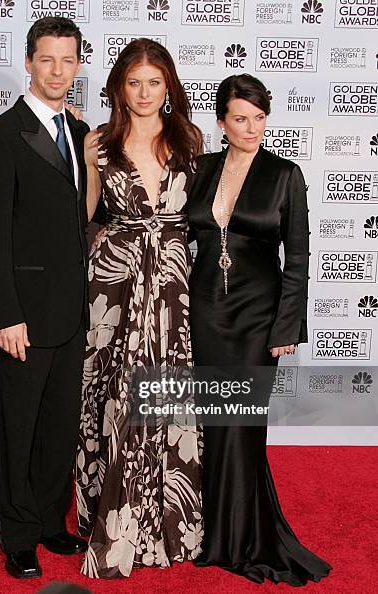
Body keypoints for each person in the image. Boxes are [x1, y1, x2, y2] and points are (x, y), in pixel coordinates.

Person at [188, 74, 331, 585]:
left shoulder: (284, 174)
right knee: (211, 422)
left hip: (256, 315)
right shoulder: (200, 169)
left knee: (243, 424)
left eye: (260, 117)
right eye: (241, 118)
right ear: (222, 123)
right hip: (202, 309)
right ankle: (212, 533)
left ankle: (243, 539)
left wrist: (286, 326)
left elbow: (298, 257)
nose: (252, 128)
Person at [75, 39, 203, 579]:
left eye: (154, 82)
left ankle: (167, 520)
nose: (145, 93)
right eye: (134, 83)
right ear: (118, 89)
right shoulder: (98, 143)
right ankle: (110, 513)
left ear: (169, 86)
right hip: (115, 280)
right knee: (111, 392)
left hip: (171, 284)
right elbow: (82, 214)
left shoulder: (190, 140)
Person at [0, 17, 90, 579]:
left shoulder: (79, 129)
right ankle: (15, 532)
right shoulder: (0, 135)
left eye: (68, 60)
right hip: (23, 314)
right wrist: (7, 315)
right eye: (47, 59)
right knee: (17, 426)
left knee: (59, 424)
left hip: (71, 311)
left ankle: (48, 519)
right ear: (28, 61)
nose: (58, 71)